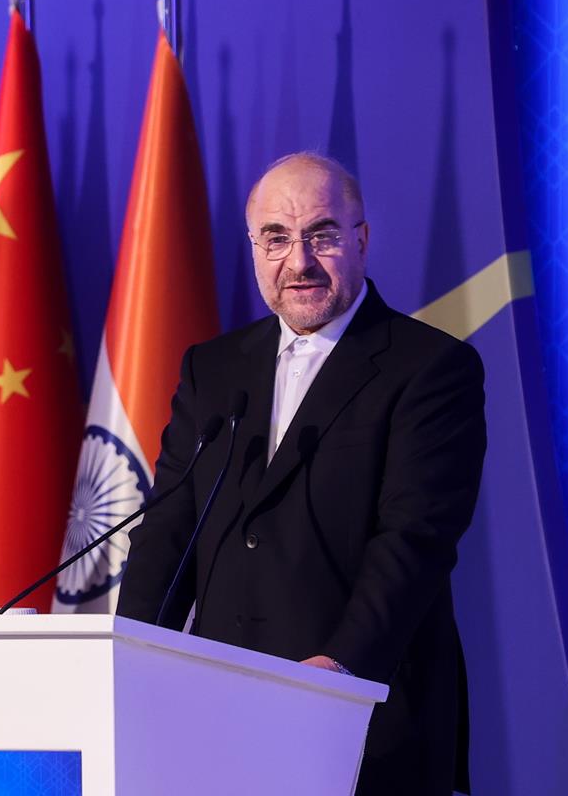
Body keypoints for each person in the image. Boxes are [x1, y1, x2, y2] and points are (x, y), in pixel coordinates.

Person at [117, 152, 485, 796]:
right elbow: (168, 530)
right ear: (253, 246)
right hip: (219, 713)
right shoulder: (214, 369)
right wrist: (127, 662)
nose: (299, 261)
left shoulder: (430, 368)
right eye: (276, 238)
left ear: (361, 239)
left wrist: (338, 671)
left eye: (321, 234)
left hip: (366, 716)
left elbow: (414, 541)